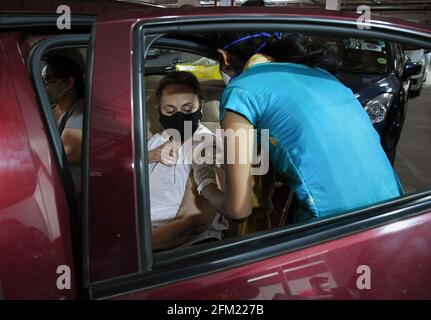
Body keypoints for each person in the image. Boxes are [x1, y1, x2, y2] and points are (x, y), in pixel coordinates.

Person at [193, 32, 404, 223]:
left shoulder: (240, 91)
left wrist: (205, 184)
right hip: (397, 211)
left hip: (337, 226)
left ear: (224, 56)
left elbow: (237, 209)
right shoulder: (321, 75)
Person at [147, 71, 228, 251]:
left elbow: (195, 222)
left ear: (201, 106)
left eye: (187, 109)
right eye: (169, 110)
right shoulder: (154, 142)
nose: (179, 116)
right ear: (158, 110)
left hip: (183, 249)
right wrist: (148, 156)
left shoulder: (206, 146)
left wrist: (135, 248)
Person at [42, 55, 84, 194]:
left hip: (74, 194)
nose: (43, 86)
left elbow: (65, 154)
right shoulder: (48, 109)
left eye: (47, 80)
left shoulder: (81, 111)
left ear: (67, 83)